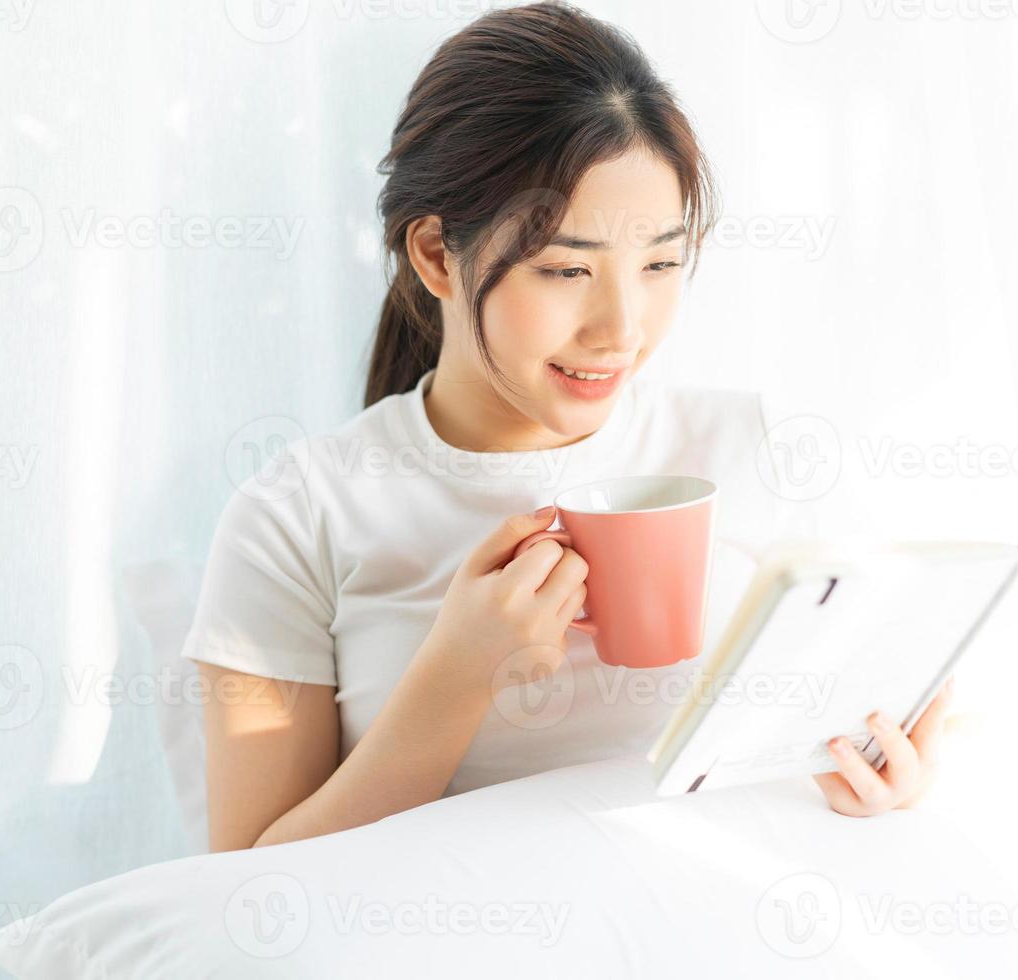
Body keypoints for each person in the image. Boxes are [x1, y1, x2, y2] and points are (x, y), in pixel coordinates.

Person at [184, 0, 951, 852]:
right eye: (565, 269)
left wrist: (886, 776)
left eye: (661, 263)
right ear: (437, 254)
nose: (622, 328)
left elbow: (869, 727)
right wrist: (457, 676)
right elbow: (247, 888)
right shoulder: (295, 516)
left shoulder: (762, 454)